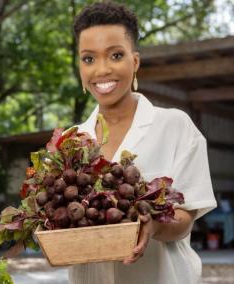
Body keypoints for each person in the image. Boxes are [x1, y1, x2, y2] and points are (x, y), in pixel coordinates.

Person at [68, 2, 217, 283]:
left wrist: (154, 225)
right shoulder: (71, 140)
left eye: (115, 55)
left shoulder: (175, 126)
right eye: (88, 59)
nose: (101, 70)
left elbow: (185, 219)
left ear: (134, 61)